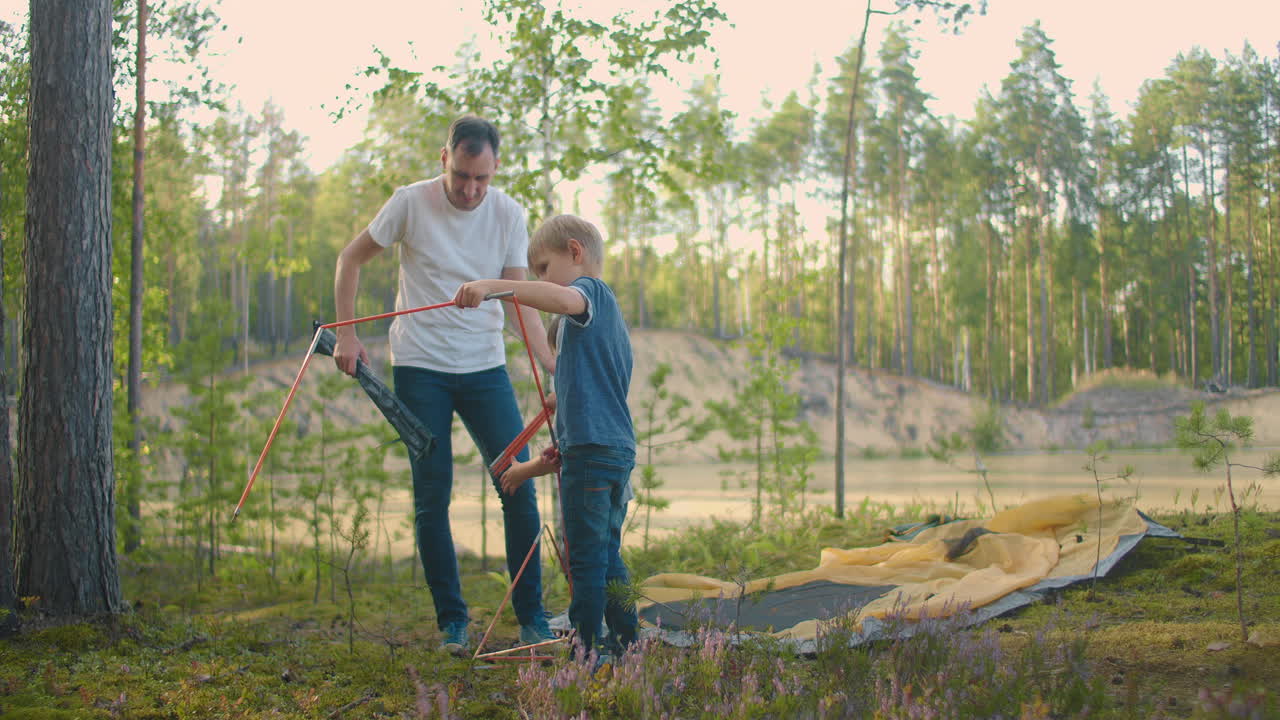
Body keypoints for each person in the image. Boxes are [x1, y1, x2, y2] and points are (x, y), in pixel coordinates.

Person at [332, 114, 556, 655]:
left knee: (517, 482)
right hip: (420, 366)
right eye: (461, 176)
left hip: (484, 368)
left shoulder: (508, 213)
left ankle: (533, 620)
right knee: (433, 496)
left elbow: (519, 297)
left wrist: (550, 365)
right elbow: (349, 258)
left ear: (495, 168)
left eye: (481, 177)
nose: (471, 189)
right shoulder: (410, 202)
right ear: (444, 160)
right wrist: (347, 335)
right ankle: (452, 625)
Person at [453, 214, 639, 665]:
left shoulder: (591, 293)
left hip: (594, 460)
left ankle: (586, 654)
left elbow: (561, 298)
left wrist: (494, 286)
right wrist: (528, 462)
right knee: (607, 557)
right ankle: (628, 645)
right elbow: (581, 412)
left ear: (574, 252)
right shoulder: (608, 331)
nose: (537, 278)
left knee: (587, 564)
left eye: (540, 267)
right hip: (614, 456)